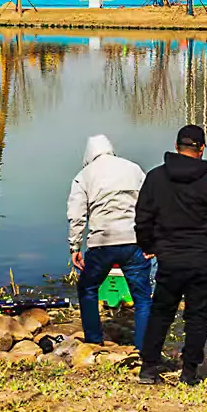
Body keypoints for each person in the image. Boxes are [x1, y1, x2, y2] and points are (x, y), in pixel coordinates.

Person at [136, 124, 207, 385]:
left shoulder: (156, 178)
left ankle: (148, 368)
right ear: (201, 148)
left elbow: (143, 217)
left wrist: (148, 246)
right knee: (198, 316)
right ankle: (189, 372)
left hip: (169, 259)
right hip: (203, 259)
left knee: (161, 313)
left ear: (176, 146)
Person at [67, 135, 152, 352]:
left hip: (101, 244)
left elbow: (76, 215)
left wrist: (75, 247)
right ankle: (144, 348)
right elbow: (149, 205)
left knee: (88, 288)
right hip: (134, 241)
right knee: (142, 297)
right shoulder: (134, 169)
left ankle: (94, 340)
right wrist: (152, 241)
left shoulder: (84, 176)